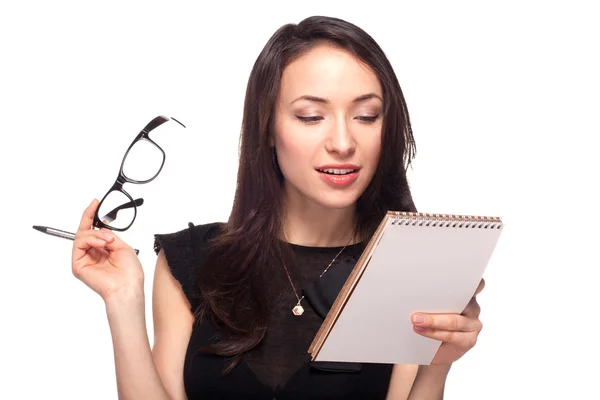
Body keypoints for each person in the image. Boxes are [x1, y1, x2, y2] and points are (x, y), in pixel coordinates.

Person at [71, 15, 485, 400]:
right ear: (267, 128)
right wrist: (123, 301)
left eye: (366, 115)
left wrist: (437, 366)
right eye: (310, 116)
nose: (342, 143)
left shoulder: (402, 267)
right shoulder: (194, 260)